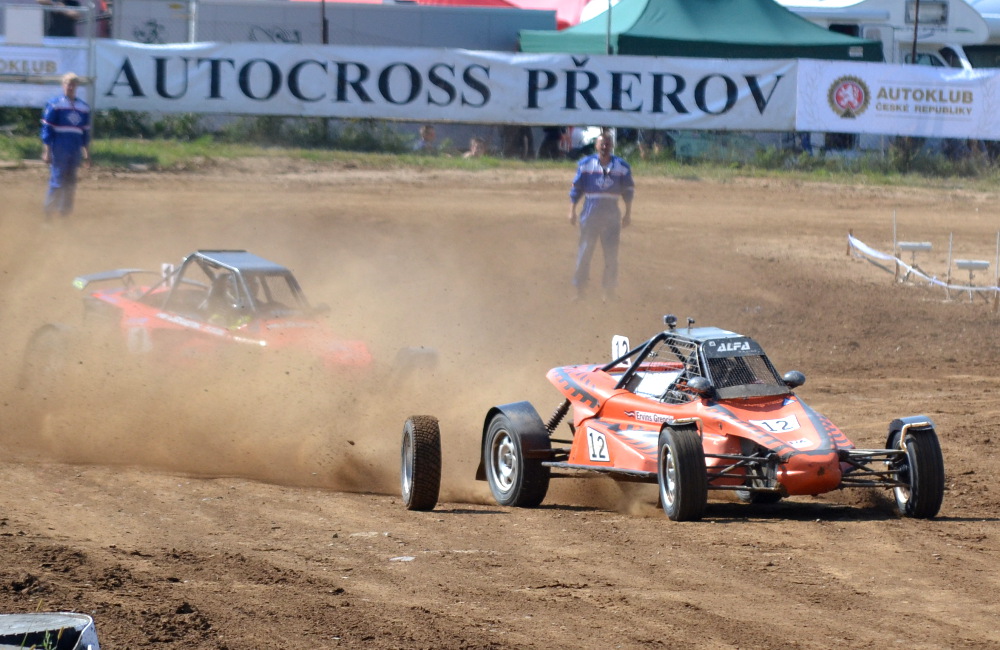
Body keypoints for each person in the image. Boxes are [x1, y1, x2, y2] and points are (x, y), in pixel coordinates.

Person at [567, 132, 634, 302]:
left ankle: (609, 291)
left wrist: (628, 213)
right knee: (585, 252)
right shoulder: (585, 164)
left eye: (607, 144)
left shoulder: (622, 167)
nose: (604, 147)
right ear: (596, 146)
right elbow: (576, 189)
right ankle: (580, 291)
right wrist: (572, 210)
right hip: (590, 212)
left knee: (611, 255)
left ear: (612, 146)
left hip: (611, 213)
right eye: (602, 144)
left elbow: (628, 191)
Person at [40, 71, 90, 220]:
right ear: (63, 85)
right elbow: (47, 129)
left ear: (77, 86)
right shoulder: (55, 104)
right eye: (68, 84)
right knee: (57, 181)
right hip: (59, 147)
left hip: (75, 148)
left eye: (73, 84)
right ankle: (48, 215)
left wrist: (87, 154)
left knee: (70, 183)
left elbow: (85, 133)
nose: (70, 87)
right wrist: (47, 151)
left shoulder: (83, 107)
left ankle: (64, 214)